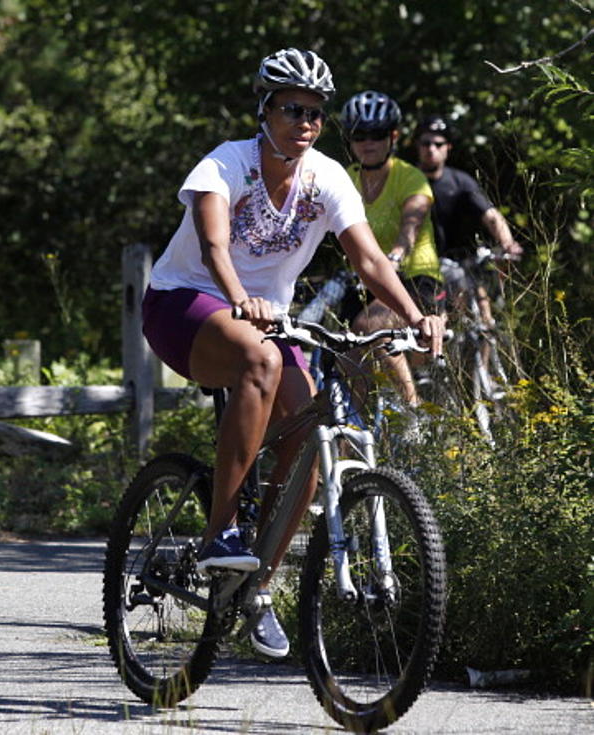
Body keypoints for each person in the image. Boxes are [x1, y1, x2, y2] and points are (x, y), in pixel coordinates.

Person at [142, 50, 445, 659]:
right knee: (263, 361)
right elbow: (213, 243)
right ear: (265, 109)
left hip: (267, 321)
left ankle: (257, 588)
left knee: (313, 433)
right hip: (185, 303)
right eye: (292, 110)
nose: (305, 123)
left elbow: (368, 260)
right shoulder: (224, 165)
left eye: (316, 114)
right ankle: (222, 532)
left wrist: (417, 317)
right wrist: (240, 301)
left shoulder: (326, 177)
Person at [340, 90, 444, 407]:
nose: (367, 143)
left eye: (377, 134)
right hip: (365, 282)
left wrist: (396, 256)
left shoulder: (410, 177)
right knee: (342, 355)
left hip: (415, 278)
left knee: (368, 327)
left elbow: (410, 225)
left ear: (393, 136)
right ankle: (351, 442)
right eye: (359, 135)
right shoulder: (345, 180)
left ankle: (414, 418)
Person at [415, 114, 522, 327]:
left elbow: (492, 216)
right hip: (420, 267)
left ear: (448, 147)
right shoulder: (407, 180)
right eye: (426, 143)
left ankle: (482, 359)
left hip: (463, 262)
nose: (431, 149)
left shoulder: (460, 182)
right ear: (417, 146)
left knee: (484, 317)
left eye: (438, 144)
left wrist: (507, 243)